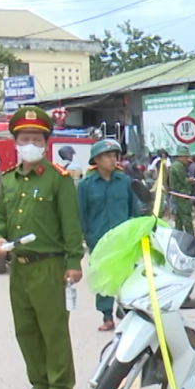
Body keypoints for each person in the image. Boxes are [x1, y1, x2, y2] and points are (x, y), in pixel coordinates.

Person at [0, 106, 84, 389]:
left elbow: (70, 224)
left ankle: (60, 386)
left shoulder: (59, 179)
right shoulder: (9, 179)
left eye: (36, 138)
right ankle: (39, 383)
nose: (30, 143)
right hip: (20, 265)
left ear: (45, 143)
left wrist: (73, 261)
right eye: (24, 137)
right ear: (15, 141)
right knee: (26, 327)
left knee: (53, 327)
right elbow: (0, 217)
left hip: (49, 264)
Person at [77, 139, 139, 331]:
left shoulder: (125, 182)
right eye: (108, 156)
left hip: (124, 239)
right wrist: (86, 237)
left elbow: (134, 211)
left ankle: (127, 311)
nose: (113, 160)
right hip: (99, 240)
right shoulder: (86, 185)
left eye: (115, 156)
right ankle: (107, 316)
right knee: (104, 278)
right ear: (97, 159)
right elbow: (81, 214)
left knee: (127, 276)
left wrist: (135, 233)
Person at [167, 145, 195, 234]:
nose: (187, 159)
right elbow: (183, 180)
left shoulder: (176, 165)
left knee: (178, 218)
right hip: (182, 195)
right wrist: (190, 181)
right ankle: (191, 237)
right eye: (186, 157)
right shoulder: (178, 166)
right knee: (186, 217)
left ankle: (177, 236)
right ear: (181, 156)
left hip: (177, 195)